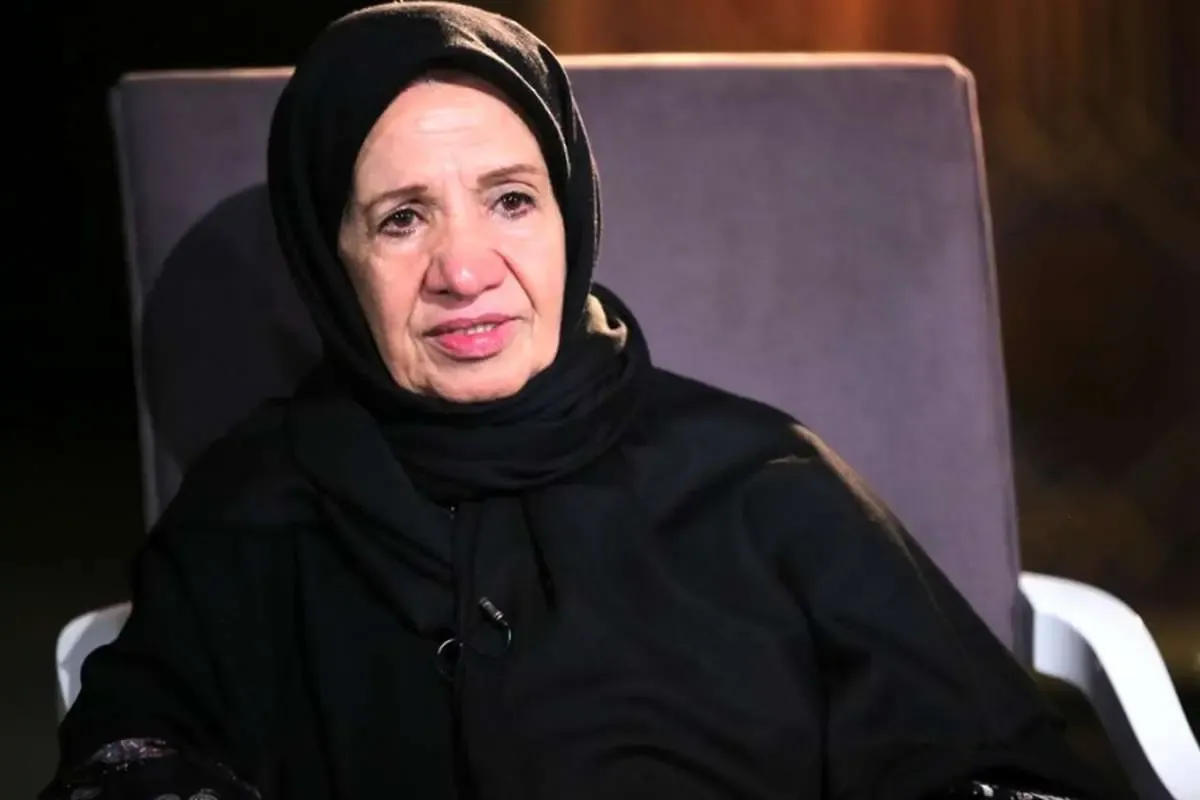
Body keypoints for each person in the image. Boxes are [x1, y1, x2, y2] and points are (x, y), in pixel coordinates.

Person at [42, 3, 1122, 799]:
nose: (466, 269)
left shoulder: (763, 481)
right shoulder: (254, 508)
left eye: (511, 200)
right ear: (331, 263)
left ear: (571, 214)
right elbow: (135, 749)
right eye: (402, 218)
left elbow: (989, 764)